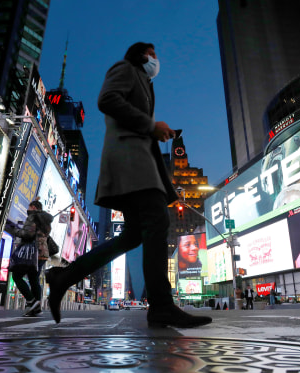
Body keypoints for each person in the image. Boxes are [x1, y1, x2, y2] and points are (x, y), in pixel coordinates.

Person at [45, 42, 212, 328]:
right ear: (142, 54)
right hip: (131, 162)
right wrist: (150, 126)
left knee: (133, 235)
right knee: (158, 221)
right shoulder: (125, 68)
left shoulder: (145, 82)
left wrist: (155, 130)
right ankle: (161, 306)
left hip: (138, 161)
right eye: (154, 53)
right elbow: (107, 99)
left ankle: (63, 277)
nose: (157, 59)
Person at [11, 199, 53, 317]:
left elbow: (28, 234)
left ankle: (31, 301)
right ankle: (36, 308)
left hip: (32, 252)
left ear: (34, 207)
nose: (28, 210)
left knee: (17, 276)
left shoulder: (33, 217)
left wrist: (16, 230)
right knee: (34, 279)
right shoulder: (46, 220)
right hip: (43, 253)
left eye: (29, 207)